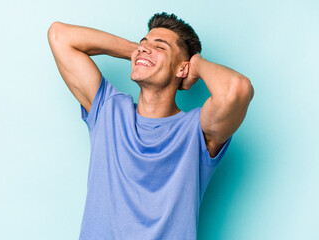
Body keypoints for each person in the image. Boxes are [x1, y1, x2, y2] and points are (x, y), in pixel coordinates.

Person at [48, 12, 254, 240]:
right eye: (143, 43)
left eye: (161, 47)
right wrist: (137, 52)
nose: (145, 48)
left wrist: (195, 65)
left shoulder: (197, 131)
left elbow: (237, 88)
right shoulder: (108, 109)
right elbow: (60, 35)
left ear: (181, 69)